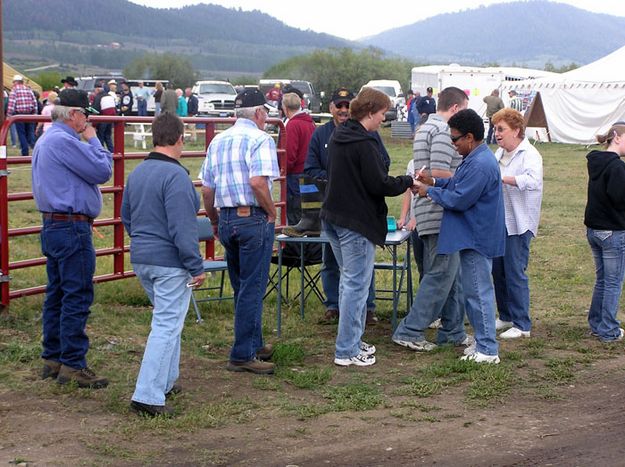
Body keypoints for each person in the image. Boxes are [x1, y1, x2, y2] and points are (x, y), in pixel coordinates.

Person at [322, 87, 415, 367]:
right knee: (356, 286)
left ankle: (352, 339)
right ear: (371, 112)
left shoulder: (341, 135)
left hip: (334, 218)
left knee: (349, 284)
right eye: (383, 113)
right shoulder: (363, 143)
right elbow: (378, 183)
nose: (383, 119)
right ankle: (346, 350)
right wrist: (407, 181)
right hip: (355, 223)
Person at [122, 113, 206, 417]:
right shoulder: (177, 177)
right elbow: (183, 230)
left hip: (143, 257)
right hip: (170, 262)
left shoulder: (138, 172)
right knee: (167, 325)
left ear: (155, 137)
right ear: (180, 139)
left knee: (169, 321)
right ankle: (147, 395)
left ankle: (166, 380)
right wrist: (196, 266)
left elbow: (127, 216)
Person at [31, 89, 112, 387]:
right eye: (86, 115)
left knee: (57, 293)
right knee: (76, 294)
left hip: (53, 225)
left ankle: (52, 357)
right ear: (74, 114)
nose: (87, 121)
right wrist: (93, 139)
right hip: (71, 227)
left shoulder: (45, 140)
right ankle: (73, 363)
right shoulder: (65, 141)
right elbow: (103, 170)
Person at [415, 108, 506, 364]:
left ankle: (488, 350)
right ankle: (482, 341)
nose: (452, 144)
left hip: (476, 238)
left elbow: (460, 199)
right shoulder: (474, 159)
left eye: (454, 139)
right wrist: (433, 181)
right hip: (472, 235)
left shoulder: (480, 164)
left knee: (478, 294)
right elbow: (456, 185)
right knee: (474, 293)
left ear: (469, 137)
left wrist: (427, 192)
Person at [200, 88, 279, 375]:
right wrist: (271, 211)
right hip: (252, 217)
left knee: (241, 285)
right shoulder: (261, 139)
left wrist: (213, 220)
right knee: (253, 286)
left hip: (227, 218)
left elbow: (207, 189)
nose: (267, 118)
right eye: (266, 113)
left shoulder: (218, 140)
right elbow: (258, 182)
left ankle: (253, 342)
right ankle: (243, 353)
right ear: (259, 113)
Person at [392, 87, 471, 352]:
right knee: (440, 274)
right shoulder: (440, 131)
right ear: (456, 109)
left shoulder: (425, 127)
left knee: (451, 275)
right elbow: (436, 171)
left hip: (428, 210)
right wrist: (468, 179)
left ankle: (453, 330)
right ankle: (410, 330)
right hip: (439, 211)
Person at [304, 88, 389, 325]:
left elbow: (384, 161)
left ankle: (365, 310)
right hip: (334, 208)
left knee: (358, 271)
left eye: (346, 105)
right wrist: (337, 179)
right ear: (331, 107)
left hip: (352, 211)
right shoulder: (322, 134)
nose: (342, 110)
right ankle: (335, 309)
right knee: (336, 265)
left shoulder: (369, 135)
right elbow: (310, 168)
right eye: (338, 105)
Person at [491, 108, 543, 339]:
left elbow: (532, 181)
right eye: (495, 129)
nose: (497, 133)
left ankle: (522, 325)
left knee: (514, 272)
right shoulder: (498, 154)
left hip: (520, 223)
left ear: (516, 131)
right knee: (497, 270)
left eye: (501, 129)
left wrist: (504, 179)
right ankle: (506, 316)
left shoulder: (530, 154)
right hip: (499, 222)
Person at [584, 121, 625, 342]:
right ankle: (608, 329)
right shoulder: (617, 167)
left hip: (594, 230)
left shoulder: (597, 162)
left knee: (603, 280)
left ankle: (597, 323)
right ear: (617, 137)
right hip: (612, 231)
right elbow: (619, 199)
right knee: (613, 281)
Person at [280, 92, 316, 226]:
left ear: (285, 107)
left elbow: (289, 155)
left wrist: (283, 170)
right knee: (308, 213)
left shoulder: (292, 125)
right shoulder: (310, 123)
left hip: (295, 176)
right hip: (309, 174)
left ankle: (294, 245)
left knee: (295, 214)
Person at [7, 74, 38, 156]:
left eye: (13, 82)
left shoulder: (14, 90)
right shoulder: (28, 89)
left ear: (16, 82)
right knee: (30, 132)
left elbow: (11, 104)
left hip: (19, 115)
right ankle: (34, 150)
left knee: (22, 134)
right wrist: (35, 112)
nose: (13, 83)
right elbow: (34, 102)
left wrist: (8, 115)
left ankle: (25, 152)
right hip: (30, 114)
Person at [97, 84, 117, 152]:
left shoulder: (99, 97)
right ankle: (112, 152)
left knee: (100, 137)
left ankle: (101, 152)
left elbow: (95, 110)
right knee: (108, 137)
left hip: (102, 119)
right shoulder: (110, 97)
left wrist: (88, 108)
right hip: (111, 119)